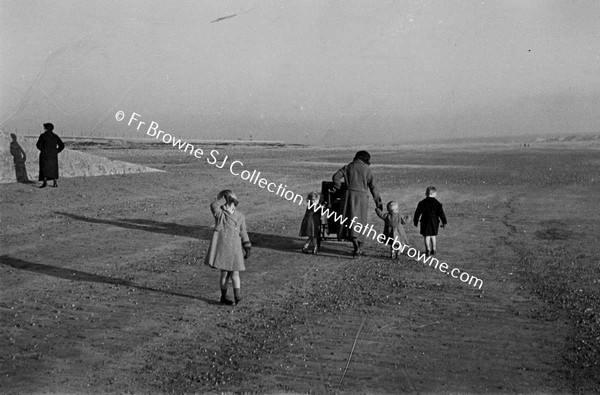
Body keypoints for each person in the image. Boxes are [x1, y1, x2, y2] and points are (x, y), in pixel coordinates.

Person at [204, 190, 251, 305]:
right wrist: (225, 198)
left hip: (235, 249)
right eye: (225, 200)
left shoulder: (240, 215)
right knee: (224, 273)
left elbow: (243, 231)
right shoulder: (220, 214)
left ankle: (237, 296)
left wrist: (247, 245)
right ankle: (224, 297)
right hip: (223, 248)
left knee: (235, 273)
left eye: (229, 199)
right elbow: (213, 205)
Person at [332, 150, 382, 257]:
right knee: (361, 221)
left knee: (348, 219)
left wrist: (339, 188)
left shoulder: (348, 167)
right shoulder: (367, 170)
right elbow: (374, 188)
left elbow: (336, 177)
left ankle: (353, 239)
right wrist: (378, 202)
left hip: (348, 196)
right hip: (362, 198)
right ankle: (360, 246)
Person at [413, 186, 447, 256]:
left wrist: (415, 221)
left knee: (426, 236)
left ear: (426, 194)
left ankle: (427, 250)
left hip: (425, 221)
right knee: (433, 236)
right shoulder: (437, 203)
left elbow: (417, 213)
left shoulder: (422, 202)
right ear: (434, 194)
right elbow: (441, 213)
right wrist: (444, 222)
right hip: (434, 222)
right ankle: (434, 249)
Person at [36, 123, 64, 188]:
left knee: (44, 168)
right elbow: (62, 145)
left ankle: (45, 182)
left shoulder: (43, 136)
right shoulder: (55, 136)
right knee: (53, 168)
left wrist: (43, 150)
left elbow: (38, 145)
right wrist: (56, 151)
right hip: (53, 155)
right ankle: (55, 183)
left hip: (45, 154)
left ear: (46, 128)